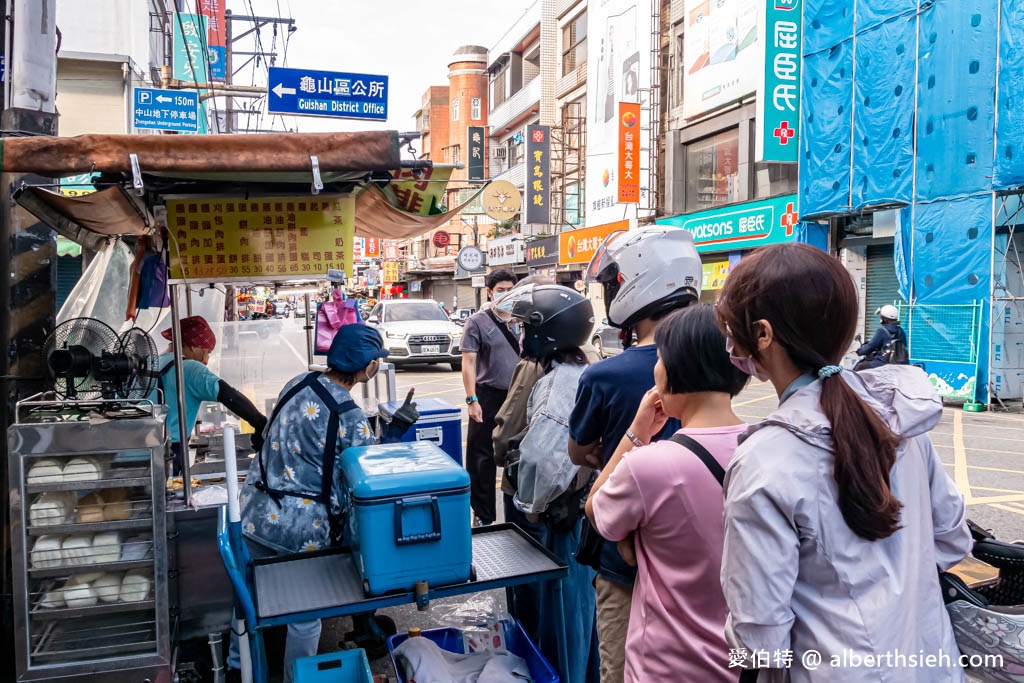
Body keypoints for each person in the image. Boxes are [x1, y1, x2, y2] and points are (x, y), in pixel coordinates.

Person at [716, 243, 971, 682]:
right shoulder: (897, 419)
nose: (729, 343)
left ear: (762, 334)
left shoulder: (764, 460)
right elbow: (952, 541)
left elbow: (760, 638)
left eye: (730, 329)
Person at [231, 325, 419, 681]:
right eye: (376, 361)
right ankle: (294, 677)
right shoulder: (349, 415)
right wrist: (392, 435)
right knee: (305, 617)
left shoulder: (297, 382)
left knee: (247, 597)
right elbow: (368, 474)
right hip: (299, 533)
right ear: (366, 367)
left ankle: (237, 665)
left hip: (255, 515)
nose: (376, 367)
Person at [586, 304, 748, 682]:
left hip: (667, 667)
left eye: (659, 357)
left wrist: (636, 433)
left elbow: (597, 509)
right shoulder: (768, 444)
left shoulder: (651, 466)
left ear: (675, 370)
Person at [568, 227, 702, 683]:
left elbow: (578, 453)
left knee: (622, 670)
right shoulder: (719, 362)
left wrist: (619, 450)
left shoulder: (604, 375)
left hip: (622, 558)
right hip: (700, 560)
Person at [496, 284, 601, 682]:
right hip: (586, 514)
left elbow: (541, 456)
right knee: (582, 617)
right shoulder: (583, 370)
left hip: (565, 521)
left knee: (564, 618)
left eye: (527, 327)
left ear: (546, 332)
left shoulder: (556, 384)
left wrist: (533, 506)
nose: (522, 335)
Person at [150, 315, 267, 475]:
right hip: (167, 453)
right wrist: (260, 422)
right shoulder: (190, 368)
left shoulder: (149, 362)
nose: (206, 360)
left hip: (133, 449)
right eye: (207, 352)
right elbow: (228, 394)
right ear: (193, 346)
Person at [461, 268, 519, 526]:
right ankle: (483, 515)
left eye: (510, 290)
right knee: (481, 456)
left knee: (518, 453)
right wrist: (472, 400)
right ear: (489, 292)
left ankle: (519, 515)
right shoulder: (477, 322)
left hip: (519, 395)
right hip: (487, 395)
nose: (506, 295)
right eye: (500, 290)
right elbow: (469, 363)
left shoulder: (524, 318)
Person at [854, 303, 908, 370]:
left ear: (884, 319)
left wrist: (860, 351)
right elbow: (904, 345)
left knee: (860, 366)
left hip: (883, 363)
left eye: (881, 317)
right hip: (898, 363)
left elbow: (871, 346)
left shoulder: (882, 331)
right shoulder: (901, 331)